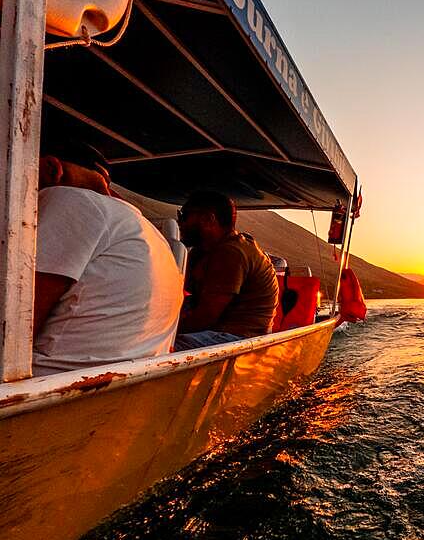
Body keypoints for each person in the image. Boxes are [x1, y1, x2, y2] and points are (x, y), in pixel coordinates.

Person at [33, 141, 184, 376]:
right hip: (113, 388)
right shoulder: (152, 233)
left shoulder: (70, 200)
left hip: (46, 385)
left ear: (52, 169)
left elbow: (16, 322)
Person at [174, 190, 278, 350]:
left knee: (158, 347)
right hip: (217, 330)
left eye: (184, 216)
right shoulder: (202, 251)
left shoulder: (231, 252)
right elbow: (176, 292)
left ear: (209, 219)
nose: (180, 223)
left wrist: (160, 333)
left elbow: (206, 317)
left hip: (240, 336)